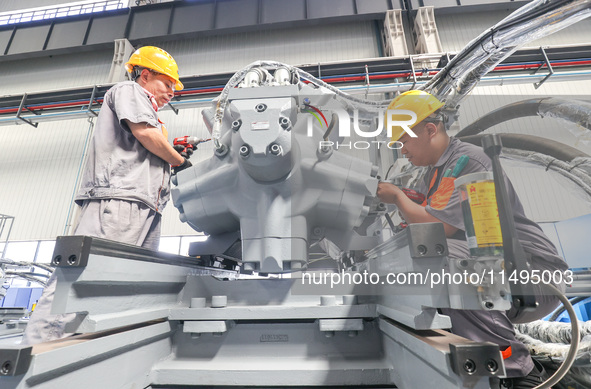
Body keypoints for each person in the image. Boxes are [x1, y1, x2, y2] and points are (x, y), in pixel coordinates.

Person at [377, 90, 569, 388]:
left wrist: (398, 198)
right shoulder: (435, 174)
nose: (401, 150)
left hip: (533, 274)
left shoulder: (466, 160)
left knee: (437, 255)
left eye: (403, 140)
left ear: (430, 129)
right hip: (502, 273)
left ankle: (518, 369)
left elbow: (440, 228)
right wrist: (416, 202)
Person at [22, 46, 191, 345]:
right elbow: (146, 135)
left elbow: (149, 147)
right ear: (146, 75)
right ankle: (38, 348)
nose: (171, 93)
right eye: (167, 84)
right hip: (119, 200)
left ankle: (85, 347)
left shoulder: (148, 109)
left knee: (122, 282)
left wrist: (172, 156)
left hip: (144, 206)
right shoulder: (128, 89)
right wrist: (178, 159)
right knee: (81, 275)